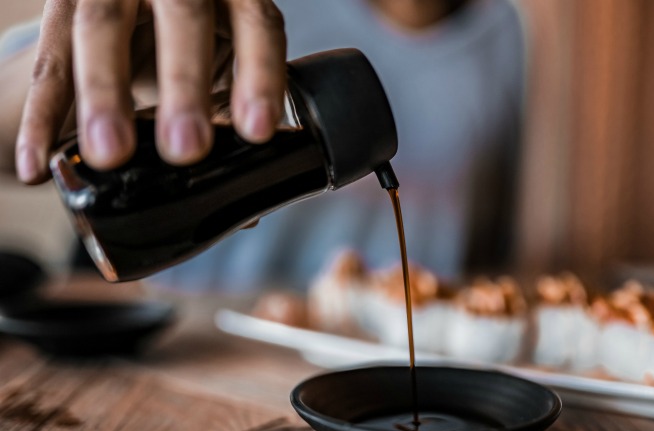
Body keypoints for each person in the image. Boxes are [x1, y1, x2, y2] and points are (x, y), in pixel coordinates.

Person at [0, 0, 525, 292]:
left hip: (383, 360)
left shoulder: (508, 34)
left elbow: (492, 232)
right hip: (194, 352)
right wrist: (87, 89)